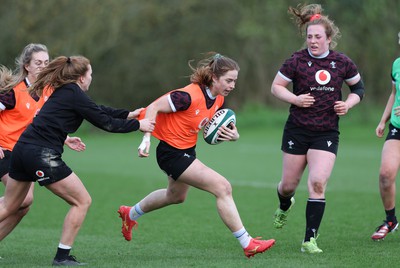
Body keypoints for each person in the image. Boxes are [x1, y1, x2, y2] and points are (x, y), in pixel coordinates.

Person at [0, 55, 155, 266]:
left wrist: (129, 114)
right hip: (41, 155)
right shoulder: (72, 92)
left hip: (21, 150)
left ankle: (62, 256)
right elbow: (105, 122)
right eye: (90, 74)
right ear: (82, 77)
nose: (91, 78)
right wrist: (139, 126)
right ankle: (62, 257)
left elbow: (98, 110)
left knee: (9, 206)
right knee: (82, 201)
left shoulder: (66, 91)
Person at [117, 53, 275, 258]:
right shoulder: (186, 96)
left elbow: (203, 124)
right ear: (214, 77)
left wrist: (232, 135)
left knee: (175, 196)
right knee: (222, 187)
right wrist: (146, 138)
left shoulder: (218, 98)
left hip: (186, 150)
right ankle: (248, 243)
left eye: (235, 80)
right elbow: (154, 107)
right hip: (171, 153)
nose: (233, 85)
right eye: (229, 80)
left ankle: (130, 214)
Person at [270, 4, 364, 253]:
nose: (312, 41)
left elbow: (359, 89)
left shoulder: (342, 62)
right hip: (297, 130)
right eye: (309, 36)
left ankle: (309, 239)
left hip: (326, 132)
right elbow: (276, 87)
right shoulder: (297, 60)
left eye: (317, 37)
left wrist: (348, 104)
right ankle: (284, 203)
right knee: (288, 185)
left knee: (318, 182)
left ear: (329, 39)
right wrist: (296, 99)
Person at [0, 44, 86, 242]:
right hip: (5, 149)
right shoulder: (13, 91)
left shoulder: (48, 91)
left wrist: (65, 139)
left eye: (46, 62)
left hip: (24, 153)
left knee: (23, 207)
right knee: (24, 199)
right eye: (38, 62)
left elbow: (41, 124)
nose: (43, 66)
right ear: (27, 66)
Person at [370, 32, 400, 241]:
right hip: (397, 128)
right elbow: (393, 94)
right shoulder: (397, 64)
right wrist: (383, 120)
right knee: (385, 175)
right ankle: (390, 221)